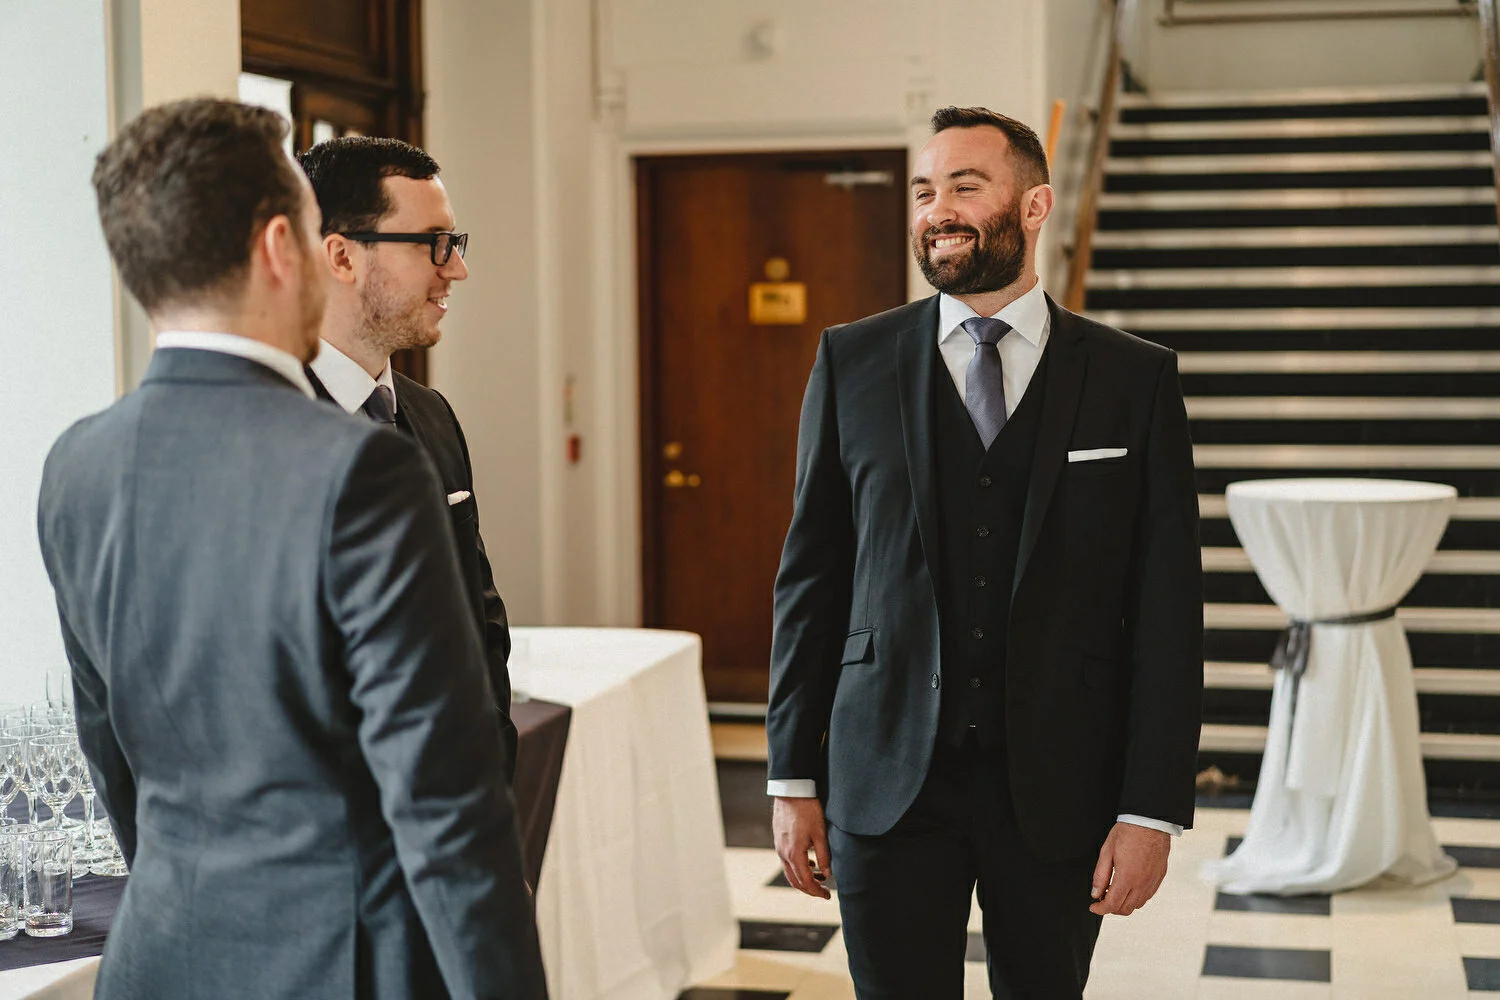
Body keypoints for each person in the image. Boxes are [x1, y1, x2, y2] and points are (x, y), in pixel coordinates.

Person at [37, 99, 546, 1000]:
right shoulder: (362, 473)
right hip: (347, 963)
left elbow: (110, 752)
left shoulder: (75, 465)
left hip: (158, 957)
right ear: (285, 248)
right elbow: (442, 799)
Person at [766, 106, 1203, 999]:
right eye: (926, 191)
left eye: (967, 186)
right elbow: (812, 579)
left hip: (1061, 786)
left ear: (1035, 205)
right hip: (884, 780)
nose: (938, 209)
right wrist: (791, 775)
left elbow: (1168, 605)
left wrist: (1150, 805)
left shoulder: (1132, 378)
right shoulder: (853, 361)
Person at [296, 137, 519, 775]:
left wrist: (489, 786)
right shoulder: (264, 429)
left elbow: (481, 618)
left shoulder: (431, 415)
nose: (456, 269)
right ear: (341, 255)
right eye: (434, 244)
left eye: (456, 243)